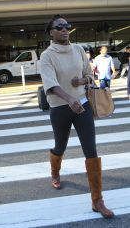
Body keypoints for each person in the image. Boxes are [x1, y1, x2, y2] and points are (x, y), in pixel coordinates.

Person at [40, 14, 114, 219]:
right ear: (51, 32)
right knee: (60, 146)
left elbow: (90, 75)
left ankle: (97, 200)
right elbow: (50, 84)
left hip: (82, 105)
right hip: (60, 108)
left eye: (67, 26)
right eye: (59, 27)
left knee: (91, 150)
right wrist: (68, 98)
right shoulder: (47, 56)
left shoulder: (79, 50)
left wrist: (81, 81)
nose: (65, 29)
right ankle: (55, 172)